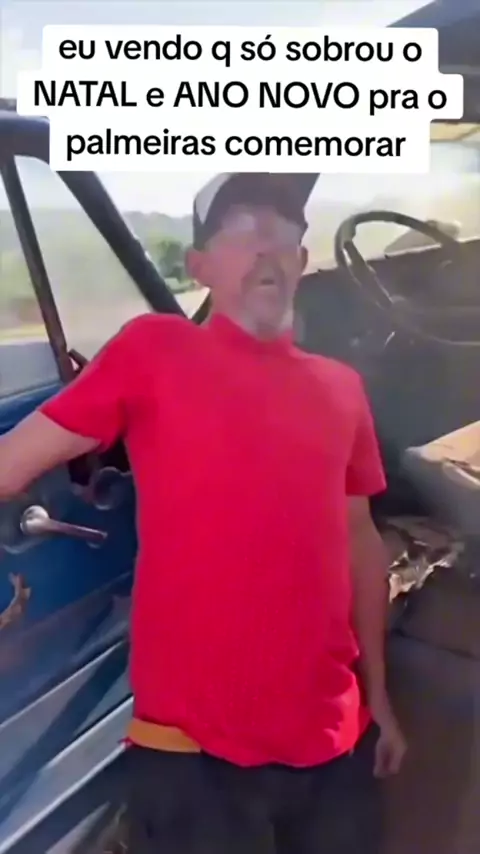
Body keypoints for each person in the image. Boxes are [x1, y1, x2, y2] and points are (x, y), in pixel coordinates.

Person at [0, 172, 406, 853]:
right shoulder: (155, 350)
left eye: (283, 233)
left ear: (303, 262)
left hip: (333, 740)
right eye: (243, 229)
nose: (266, 248)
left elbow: (361, 544)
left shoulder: (342, 388)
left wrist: (381, 700)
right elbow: (13, 462)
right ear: (198, 267)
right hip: (193, 755)